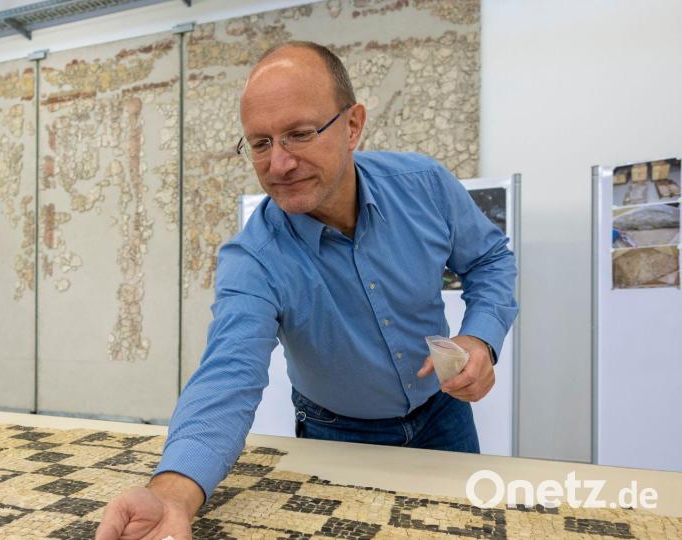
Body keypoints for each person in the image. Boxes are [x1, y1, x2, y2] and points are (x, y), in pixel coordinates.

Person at [96, 40, 518, 539]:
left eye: (298, 134)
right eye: (260, 143)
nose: (278, 165)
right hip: (335, 434)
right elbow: (228, 375)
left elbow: (490, 259)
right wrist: (171, 495)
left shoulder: (423, 185)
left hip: (444, 417)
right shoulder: (254, 258)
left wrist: (480, 337)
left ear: (352, 125)